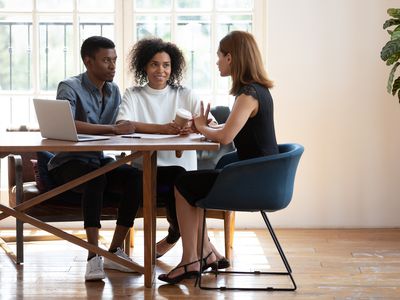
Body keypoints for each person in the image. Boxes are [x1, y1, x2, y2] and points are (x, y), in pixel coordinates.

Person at [158, 30, 279, 284]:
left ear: (231, 58)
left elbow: (225, 137)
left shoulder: (248, 95)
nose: (217, 62)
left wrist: (202, 126)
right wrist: (203, 128)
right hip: (260, 176)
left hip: (255, 181)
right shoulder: (257, 91)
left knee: (183, 184)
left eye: (219, 56)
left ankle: (192, 259)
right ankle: (203, 255)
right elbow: (226, 132)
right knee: (191, 183)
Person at [48, 36, 141, 281]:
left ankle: (114, 252)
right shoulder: (69, 86)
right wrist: (112, 130)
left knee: (135, 177)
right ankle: (93, 256)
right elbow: (66, 123)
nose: (112, 66)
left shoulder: (114, 90)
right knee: (96, 177)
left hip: (97, 161)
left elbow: (122, 122)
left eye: (114, 60)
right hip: (67, 164)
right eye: (106, 61)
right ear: (88, 62)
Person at [117, 38, 215, 258]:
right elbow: (123, 126)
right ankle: (203, 249)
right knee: (176, 180)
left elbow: (212, 124)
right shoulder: (134, 94)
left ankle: (190, 244)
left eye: (166, 65)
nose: (160, 70)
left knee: (180, 179)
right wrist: (162, 129)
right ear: (144, 66)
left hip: (184, 172)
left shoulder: (185, 94)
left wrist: (193, 127)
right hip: (147, 172)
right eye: (154, 64)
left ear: (173, 67)